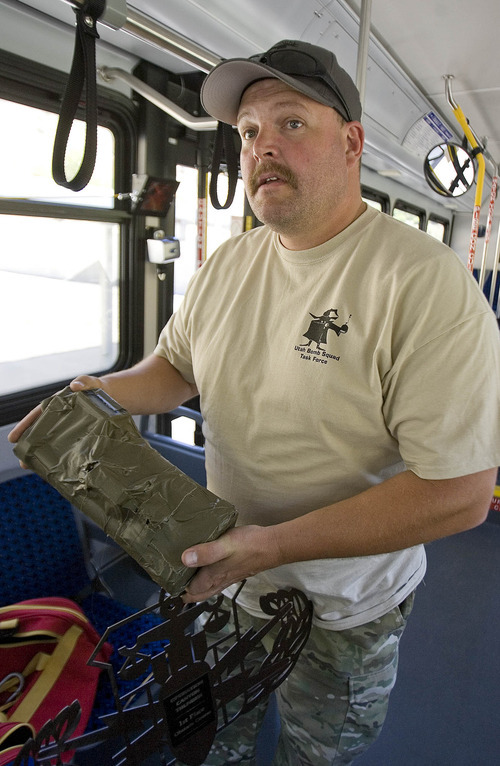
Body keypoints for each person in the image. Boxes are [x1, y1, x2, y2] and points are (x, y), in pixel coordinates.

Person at [9, 39, 500, 765]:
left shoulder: (420, 283)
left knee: (314, 750)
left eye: (291, 123)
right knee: (213, 736)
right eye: (247, 133)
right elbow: (173, 368)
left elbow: (460, 496)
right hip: (221, 582)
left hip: (343, 606)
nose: (262, 147)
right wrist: (84, 400)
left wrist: (265, 546)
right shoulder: (231, 263)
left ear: (353, 142)